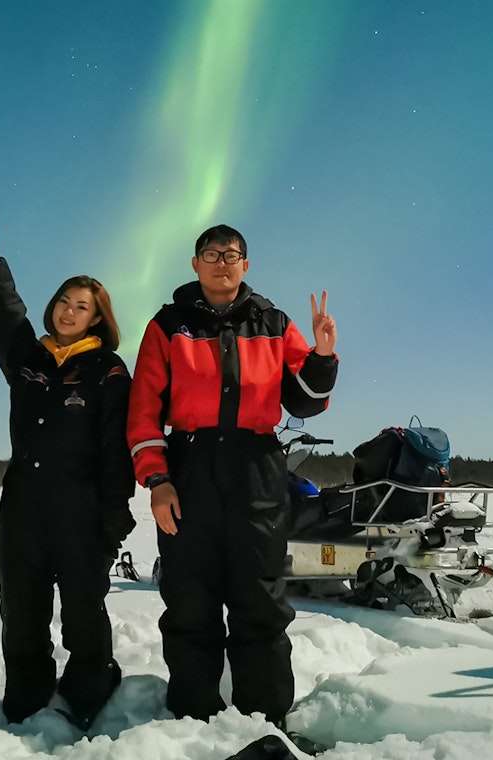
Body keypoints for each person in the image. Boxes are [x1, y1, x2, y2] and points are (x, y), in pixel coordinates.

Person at [126, 224, 338, 726]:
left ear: (246, 265)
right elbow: (142, 412)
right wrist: (158, 480)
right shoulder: (167, 325)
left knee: (259, 598)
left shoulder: (273, 322)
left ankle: (265, 717)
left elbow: (305, 400)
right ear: (195, 264)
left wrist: (323, 356)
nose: (222, 261)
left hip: (256, 469)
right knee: (189, 598)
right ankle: (192, 717)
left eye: (233, 254)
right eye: (211, 253)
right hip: (189, 467)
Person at [0, 197, 136, 729]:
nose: (67, 310)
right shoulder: (27, 358)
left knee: (84, 612)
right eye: (63, 300)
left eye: (81, 306)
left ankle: (89, 689)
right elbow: (3, 306)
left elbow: (116, 450)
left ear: (97, 318)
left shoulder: (107, 370)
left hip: (80, 511)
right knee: (23, 612)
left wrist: (114, 517)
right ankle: (28, 699)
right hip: (23, 510)